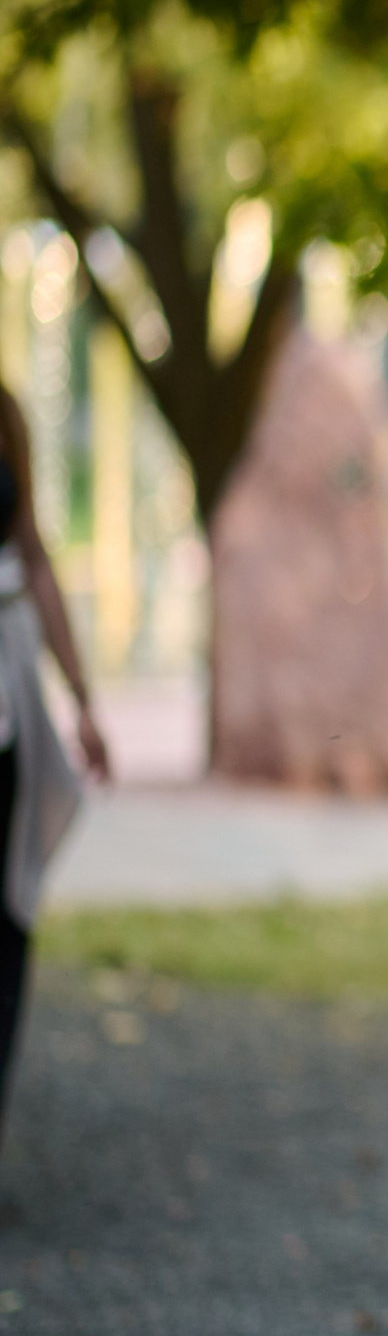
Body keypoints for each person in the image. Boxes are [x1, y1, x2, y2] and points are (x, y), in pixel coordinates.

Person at [0, 381, 113, 1133]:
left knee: (6, 907)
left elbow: (34, 555)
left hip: (7, 693)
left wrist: (82, 699)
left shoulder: (5, 413)